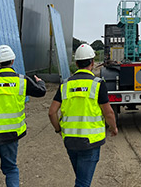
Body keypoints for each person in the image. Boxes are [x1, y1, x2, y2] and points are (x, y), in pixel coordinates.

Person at [0, 45, 46, 187]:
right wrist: (40, 81)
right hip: (11, 135)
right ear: (12, 61)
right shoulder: (22, 81)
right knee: (11, 169)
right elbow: (41, 92)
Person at [48, 43, 118, 187]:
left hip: (70, 140)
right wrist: (113, 128)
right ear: (92, 62)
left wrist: (58, 129)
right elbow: (108, 112)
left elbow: (52, 112)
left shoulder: (65, 84)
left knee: (81, 179)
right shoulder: (97, 84)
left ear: (76, 63)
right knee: (83, 183)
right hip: (90, 142)